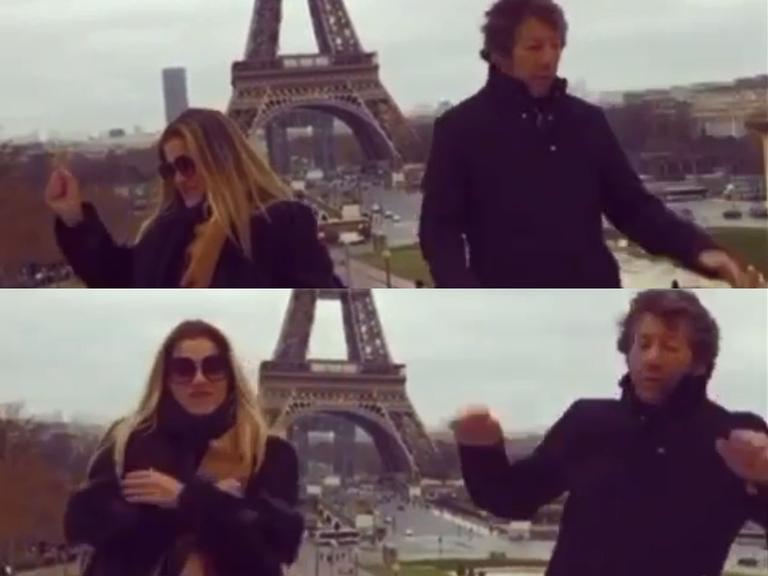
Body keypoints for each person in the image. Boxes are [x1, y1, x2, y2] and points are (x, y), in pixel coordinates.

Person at [419, 0, 766, 289]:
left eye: (556, 46)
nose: (548, 58)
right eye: (535, 46)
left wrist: (699, 250)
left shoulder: (587, 122)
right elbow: (439, 233)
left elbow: (633, 208)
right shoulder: (459, 130)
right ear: (499, 54)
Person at [453, 289, 768, 576]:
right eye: (643, 344)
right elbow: (511, 499)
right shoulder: (588, 422)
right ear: (627, 353)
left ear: (699, 363)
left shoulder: (734, 438)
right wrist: (481, 452)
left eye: (669, 347)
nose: (652, 358)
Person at [64, 320, 304, 576]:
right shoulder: (125, 443)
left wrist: (186, 497)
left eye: (213, 367)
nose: (199, 379)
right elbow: (88, 528)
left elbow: (267, 555)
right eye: (183, 369)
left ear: (230, 376)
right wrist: (213, 506)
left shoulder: (271, 454)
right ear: (166, 379)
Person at [46, 108, 340, 288]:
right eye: (169, 169)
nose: (178, 179)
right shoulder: (163, 232)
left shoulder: (278, 223)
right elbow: (116, 278)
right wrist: (73, 216)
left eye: (186, 165)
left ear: (221, 159)